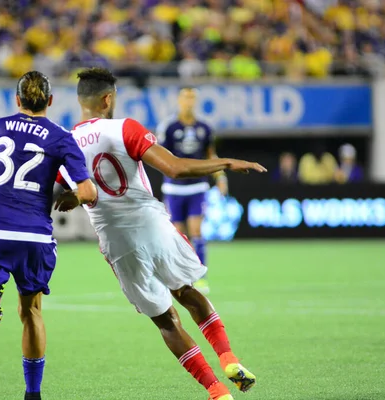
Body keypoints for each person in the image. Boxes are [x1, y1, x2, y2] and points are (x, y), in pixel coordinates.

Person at [55, 68, 265, 400]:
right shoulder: (125, 128)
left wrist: (69, 196)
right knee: (187, 292)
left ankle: (217, 392)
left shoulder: (63, 143)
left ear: (80, 101)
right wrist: (225, 163)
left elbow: (57, 194)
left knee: (165, 320)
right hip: (151, 225)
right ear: (108, 98)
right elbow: (175, 167)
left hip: (116, 243)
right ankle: (228, 358)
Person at [0, 71, 97, 400]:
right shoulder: (62, 137)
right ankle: (32, 395)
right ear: (50, 101)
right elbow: (88, 192)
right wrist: (71, 197)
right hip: (34, 237)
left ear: (17, 100)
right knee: (31, 312)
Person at [156, 87, 227, 295]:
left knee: (196, 231)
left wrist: (220, 177)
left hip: (197, 186)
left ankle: (200, 276)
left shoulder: (204, 127)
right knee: (178, 235)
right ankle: (179, 276)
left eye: (192, 97)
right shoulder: (168, 127)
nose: (189, 101)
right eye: (186, 97)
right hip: (174, 188)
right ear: (179, 100)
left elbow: (210, 154)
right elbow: (160, 155)